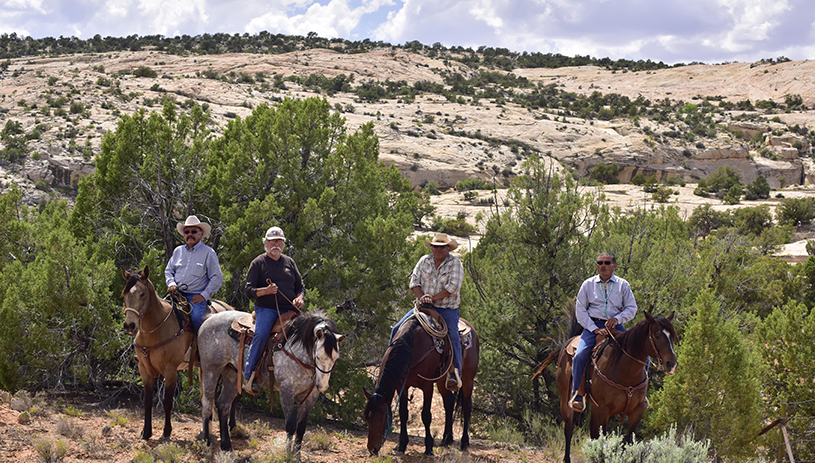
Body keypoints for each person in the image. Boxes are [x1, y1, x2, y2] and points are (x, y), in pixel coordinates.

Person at [391, 233, 464, 391]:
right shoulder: (424, 261)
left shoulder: (455, 263)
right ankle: (390, 365)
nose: (438, 249)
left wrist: (433, 298)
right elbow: (414, 282)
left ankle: (455, 374)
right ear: (431, 247)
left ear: (447, 248)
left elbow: (453, 288)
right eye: (435, 246)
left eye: (442, 247)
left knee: (453, 336)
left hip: (446, 308)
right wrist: (422, 298)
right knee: (396, 329)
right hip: (423, 306)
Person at [569, 252, 638, 412]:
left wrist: (618, 319)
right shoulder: (588, 284)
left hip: (616, 327)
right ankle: (577, 394)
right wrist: (593, 328)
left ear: (614, 266)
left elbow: (631, 308)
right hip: (593, 326)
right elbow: (580, 310)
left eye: (607, 263)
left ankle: (641, 395)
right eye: (600, 262)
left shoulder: (623, 285)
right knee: (579, 355)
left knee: (643, 356)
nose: (603, 266)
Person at [243, 226, 305, 395]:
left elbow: (300, 286)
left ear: (283, 244)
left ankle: (309, 373)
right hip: (266, 309)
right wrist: (265, 291)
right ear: (266, 243)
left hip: (290, 309)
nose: (276, 244)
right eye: (272, 241)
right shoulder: (258, 263)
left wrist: (299, 298)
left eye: (279, 241)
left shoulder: (289, 262)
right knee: (261, 334)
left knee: (309, 333)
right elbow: (248, 289)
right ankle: (249, 376)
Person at [165, 215, 224, 333]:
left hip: (195, 297)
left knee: (196, 318)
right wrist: (171, 283)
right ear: (184, 234)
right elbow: (169, 270)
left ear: (201, 234)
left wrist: (204, 295)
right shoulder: (178, 251)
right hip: (177, 294)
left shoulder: (208, 252)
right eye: (187, 232)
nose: (190, 234)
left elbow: (217, 277)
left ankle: (199, 347)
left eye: (194, 231)